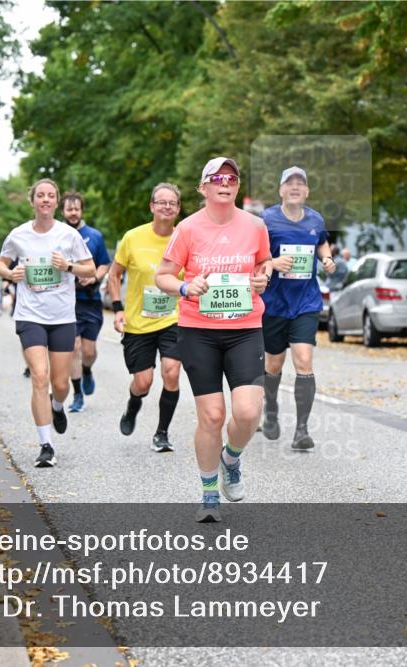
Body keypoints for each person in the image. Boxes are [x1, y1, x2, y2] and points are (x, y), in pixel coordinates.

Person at [154, 157, 271, 522]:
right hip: (198, 331)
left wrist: (262, 277)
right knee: (212, 415)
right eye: (217, 177)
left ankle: (230, 459)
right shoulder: (187, 229)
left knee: (249, 411)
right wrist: (187, 286)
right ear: (203, 187)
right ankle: (208, 496)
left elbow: (263, 263)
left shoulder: (255, 225)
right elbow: (163, 276)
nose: (226, 182)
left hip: (245, 329)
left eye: (232, 177)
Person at [0, 179, 95, 468]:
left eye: (51, 196)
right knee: (39, 376)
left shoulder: (69, 235)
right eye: (41, 195)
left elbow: (89, 267)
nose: (46, 200)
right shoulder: (18, 235)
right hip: (29, 315)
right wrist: (10, 273)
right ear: (33, 201)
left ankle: (58, 404)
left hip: (62, 317)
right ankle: (46, 445)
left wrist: (69, 267)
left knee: (60, 383)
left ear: (56, 202)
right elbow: (1, 263)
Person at [260, 167, 336, 450]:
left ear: (307, 191)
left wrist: (327, 259)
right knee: (273, 364)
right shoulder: (266, 219)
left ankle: (301, 430)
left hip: (306, 302)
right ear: (280, 190)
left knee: (304, 361)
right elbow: (255, 254)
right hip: (275, 303)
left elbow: (323, 243)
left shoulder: (315, 219)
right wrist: (273, 263)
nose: (295, 187)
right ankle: (270, 411)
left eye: (300, 184)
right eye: (289, 183)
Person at [107, 183, 183, 451]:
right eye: (161, 202)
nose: (166, 207)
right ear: (152, 206)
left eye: (171, 203)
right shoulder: (133, 237)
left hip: (173, 319)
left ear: (178, 209)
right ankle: (133, 404)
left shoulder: (184, 239)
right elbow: (114, 275)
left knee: (172, 373)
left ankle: (162, 433)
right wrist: (118, 308)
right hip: (138, 323)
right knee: (143, 382)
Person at [61, 192, 112, 414]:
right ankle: (77, 395)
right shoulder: (57, 235)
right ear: (62, 211)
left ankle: (87, 370)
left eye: (76, 209)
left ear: (81, 210)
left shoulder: (94, 236)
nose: (73, 213)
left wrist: (94, 277)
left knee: (88, 352)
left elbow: (104, 264)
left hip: (90, 301)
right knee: (74, 347)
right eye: (69, 209)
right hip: (67, 302)